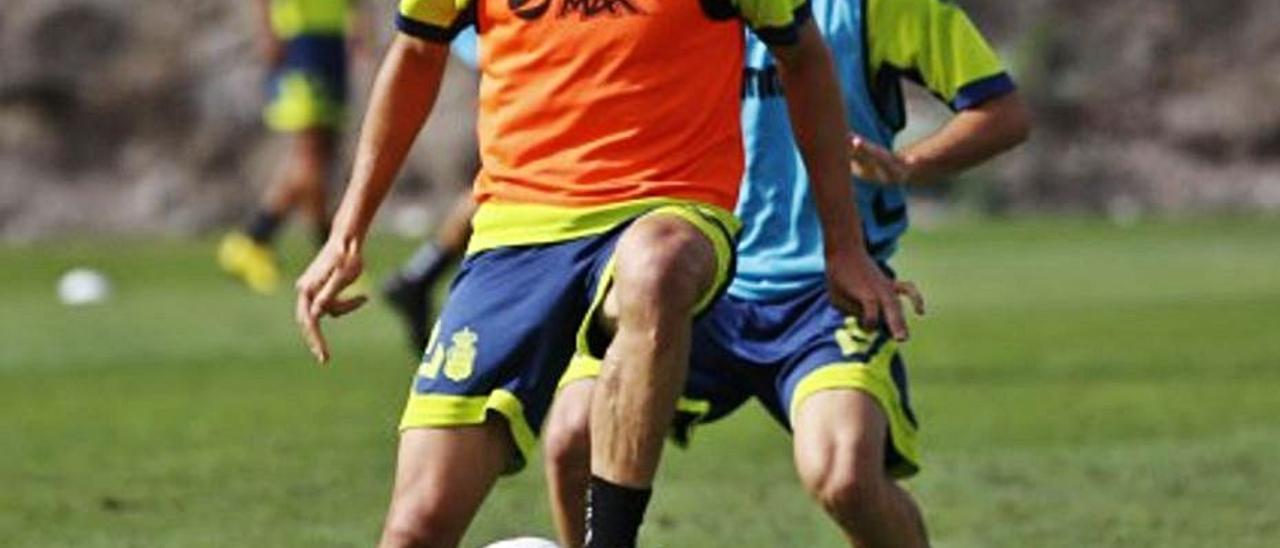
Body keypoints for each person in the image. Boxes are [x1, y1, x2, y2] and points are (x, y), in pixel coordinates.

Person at [292, 1, 909, 547]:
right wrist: (347, 232)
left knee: (656, 267)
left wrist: (844, 247)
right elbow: (417, 52)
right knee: (415, 528)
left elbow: (802, 59)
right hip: (514, 238)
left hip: (669, 207)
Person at [539, 0, 1032, 546]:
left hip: (823, 298)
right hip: (690, 283)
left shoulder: (876, 9)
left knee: (843, 476)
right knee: (570, 440)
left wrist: (910, 165)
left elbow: (1003, 113)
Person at [218, 0, 362, 294]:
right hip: (300, 38)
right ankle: (326, 258)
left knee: (320, 159)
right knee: (310, 156)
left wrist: (356, 24)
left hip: (332, 38)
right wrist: (267, 30)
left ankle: (255, 241)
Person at [383, 28, 481, 355]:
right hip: (512, 39)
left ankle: (420, 276)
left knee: (506, 180)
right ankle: (420, 277)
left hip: (511, 39)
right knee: (511, 178)